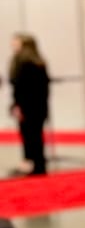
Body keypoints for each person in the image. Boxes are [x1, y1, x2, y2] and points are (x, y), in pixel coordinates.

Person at [8, 33, 51, 176]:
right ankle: (37, 164)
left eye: (16, 43)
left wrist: (17, 105)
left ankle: (32, 164)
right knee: (35, 136)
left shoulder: (23, 63)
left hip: (27, 106)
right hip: (38, 105)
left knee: (29, 136)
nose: (13, 45)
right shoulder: (38, 62)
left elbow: (21, 88)